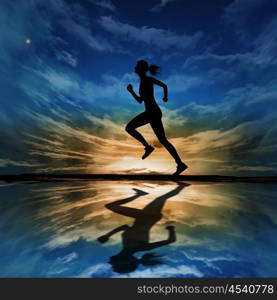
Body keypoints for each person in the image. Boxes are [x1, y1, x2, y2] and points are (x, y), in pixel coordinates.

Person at [97, 183, 189, 273]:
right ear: (124, 262)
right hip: (148, 217)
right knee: (161, 198)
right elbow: (170, 240)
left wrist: (107, 235)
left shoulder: (127, 246)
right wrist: (171, 229)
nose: (110, 262)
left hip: (144, 217)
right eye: (113, 265)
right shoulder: (140, 247)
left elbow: (125, 227)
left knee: (161, 198)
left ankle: (139, 194)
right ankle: (182, 186)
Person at [126, 60, 187, 175]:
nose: (134, 68)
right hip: (151, 112)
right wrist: (131, 92)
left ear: (140, 69)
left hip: (152, 112)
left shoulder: (148, 79)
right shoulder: (142, 81)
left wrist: (165, 97)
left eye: (136, 66)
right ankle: (180, 164)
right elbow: (140, 101)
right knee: (163, 140)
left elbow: (164, 85)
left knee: (129, 128)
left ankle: (148, 147)